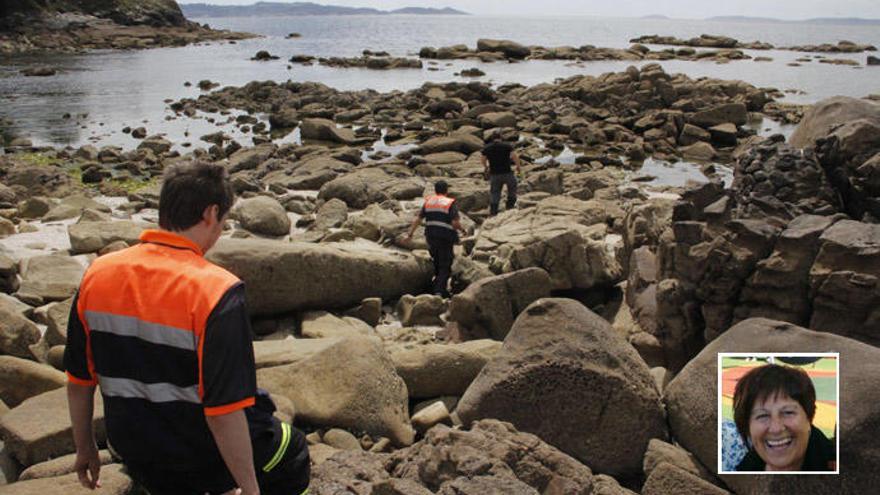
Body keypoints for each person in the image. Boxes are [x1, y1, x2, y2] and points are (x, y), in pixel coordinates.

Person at [64, 161, 310, 495]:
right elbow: (222, 413)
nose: (220, 230)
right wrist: (250, 489)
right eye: (223, 221)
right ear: (211, 214)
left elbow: (79, 380)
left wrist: (86, 448)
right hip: (198, 457)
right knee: (291, 450)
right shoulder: (217, 292)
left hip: (134, 452)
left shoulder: (97, 274)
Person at [732, 363, 836, 472]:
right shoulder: (744, 469)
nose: (776, 428)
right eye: (763, 415)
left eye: (788, 413)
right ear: (747, 426)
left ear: (809, 417)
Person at [405, 180, 465, 298]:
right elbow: (454, 222)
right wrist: (462, 230)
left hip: (431, 237)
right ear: (446, 190)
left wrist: (410, 234)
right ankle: (439, 291)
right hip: (445, 237)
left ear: (435, 190)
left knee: (437, 261)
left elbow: (418, 219)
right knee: (445, 264)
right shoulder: (449, 203)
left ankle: (435, 285)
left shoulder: (429, 202)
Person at [480, 134, 522, 216]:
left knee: (495, 193)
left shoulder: (487, 148)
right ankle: (510, 207)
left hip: (495, 174)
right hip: (507, 173)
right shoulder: (507, 146)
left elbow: (483, 159)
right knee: (512, 189)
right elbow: (514, 156)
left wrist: (486, 167)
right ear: (501, 139)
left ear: (492, 139)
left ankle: (493, 212)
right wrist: (518, 167)